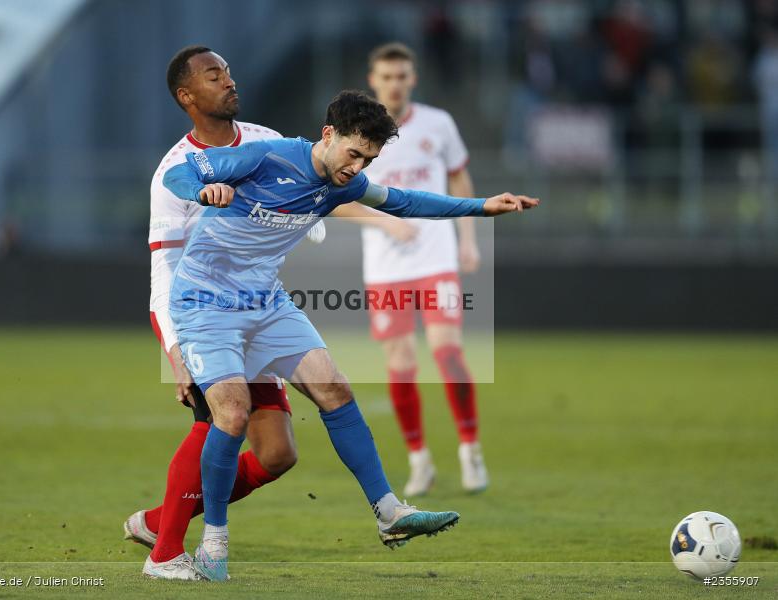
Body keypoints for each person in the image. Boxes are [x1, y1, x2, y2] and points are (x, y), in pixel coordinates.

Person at [164, 89, 539, 581]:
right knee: (232, 415)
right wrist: (202, 191)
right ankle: (214, 540)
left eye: (369, 159)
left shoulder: (346, 184)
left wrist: (481, 207)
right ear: (328, 134)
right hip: (205, 301)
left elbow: (404, 202)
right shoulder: (267, 156)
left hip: (265, 302)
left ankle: (389, 512)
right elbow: (179, 173)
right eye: (354, 153)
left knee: (335, 388)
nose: (358, 167)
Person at [123, 45, 318, 581]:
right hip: (204, 319)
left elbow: (310, 184)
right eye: (214, 76)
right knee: (218, 421)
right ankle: (165, 553)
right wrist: (175, 352)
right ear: (187, 96)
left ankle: (157, 522)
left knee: (277, 454)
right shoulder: (173, 173)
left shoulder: (266, 142)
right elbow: (164, 271)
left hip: (257, 310)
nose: (229, 82)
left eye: (228, 72)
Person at [332, 42, 486, 496]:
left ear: (412, 78)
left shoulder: (438, 124)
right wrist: (385, 223)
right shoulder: (356, 137)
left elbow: (459, 177)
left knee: (447, 352)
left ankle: (470, 449)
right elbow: (334, 200)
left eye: (401, 76)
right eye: (386, 77)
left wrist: (468, 239)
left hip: (436, 259)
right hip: (386, 268)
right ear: (373, 80)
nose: (395, 84)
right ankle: (419, 460)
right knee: (399, 364)